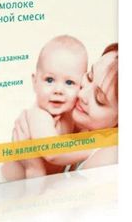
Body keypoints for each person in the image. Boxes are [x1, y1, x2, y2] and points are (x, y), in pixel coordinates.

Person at [12, 43, 118, 176]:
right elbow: (53, 153)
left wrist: (34, 168)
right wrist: (92, 146)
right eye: (89, 77)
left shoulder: (108, 158)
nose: (81, 94)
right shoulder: (44, 113)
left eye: (98, 98)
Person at [1, 35, 89, 181]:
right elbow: (53, 153)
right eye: (49, 80)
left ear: (81, 86)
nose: (58, 90)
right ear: (35, 82)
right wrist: (93, 148)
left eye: (69, 82)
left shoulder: (71, 114)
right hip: (5, 186)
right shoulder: (39, 115)